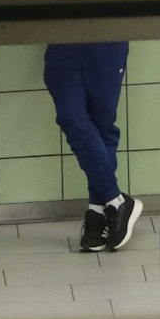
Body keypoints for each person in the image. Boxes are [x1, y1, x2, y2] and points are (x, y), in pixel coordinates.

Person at [43, 41, 143, 252]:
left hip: (107, 37)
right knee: (70, 116)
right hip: (62, 38)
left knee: (102, 125)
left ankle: (97, 213)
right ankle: (116, 201)